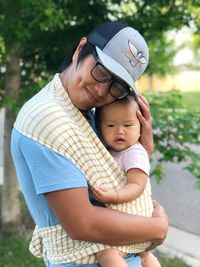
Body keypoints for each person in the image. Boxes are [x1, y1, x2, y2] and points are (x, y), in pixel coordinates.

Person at [11, 21, 168, 267]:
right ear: (80, 50)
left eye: (116, 86)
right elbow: (83, 223)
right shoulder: (48, 118)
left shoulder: (85, 113)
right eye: (102, 72)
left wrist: (142, 152)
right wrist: (156, 228)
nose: (101, 90)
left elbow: (107, 172)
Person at [92, 97, 161, 267]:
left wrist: (115, 196)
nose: (119, 131)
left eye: (128, 125)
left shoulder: (134, 152)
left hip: (134, 222)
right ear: (100, 128)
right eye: (111, 126)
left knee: (108, 253)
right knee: (145, 256)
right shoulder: (111, 152)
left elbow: (137, 185)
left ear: (141, 127)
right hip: (137, 225)